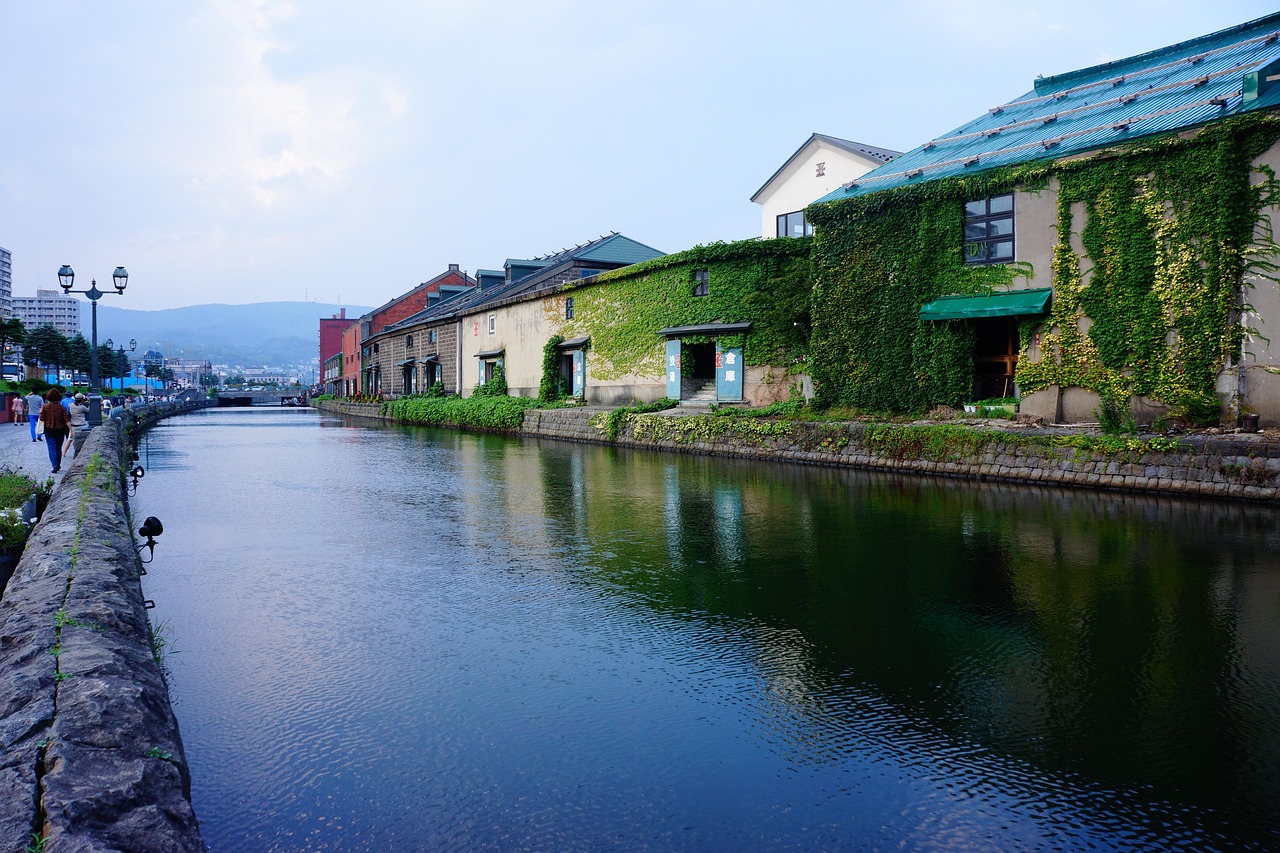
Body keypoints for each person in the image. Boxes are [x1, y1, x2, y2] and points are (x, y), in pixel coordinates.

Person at [39, 388, 71, 473]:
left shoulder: (46, 407)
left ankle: (54, 465)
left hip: (49, 430)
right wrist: (71, 429)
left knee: (51, 447)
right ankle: (58, 464)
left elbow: (41, 418)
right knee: (58, 448)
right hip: (60, 430)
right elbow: (66, 419)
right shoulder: (62, 408)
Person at [66, 393, 90, 460]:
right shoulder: (82, 407)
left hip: (72, 426)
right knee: (81, 442)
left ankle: (64, 453)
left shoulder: (70, 405)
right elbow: (89, 411)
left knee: (70, 440)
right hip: (81, 426)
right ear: (82, 400)